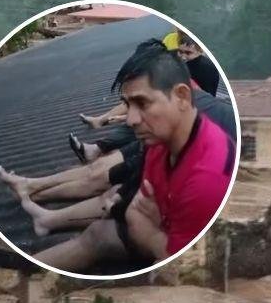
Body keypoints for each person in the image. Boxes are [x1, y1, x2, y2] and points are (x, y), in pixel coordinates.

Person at [32, 40, 233, 273]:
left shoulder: (207, 180)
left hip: (181, 244)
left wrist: (149, 233)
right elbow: (138, 204)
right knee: (105, 210)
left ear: (181, 96)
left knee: (101, 223)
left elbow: (180, 266)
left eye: (142, 103)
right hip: (170, 219)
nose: (131, 119)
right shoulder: (161, 140)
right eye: (128, 105)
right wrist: (137, 215)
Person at [177, 32, 221, 97]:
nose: (183, 56)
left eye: (188, 53)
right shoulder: (187, 64)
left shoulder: (205, 67)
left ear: (199, 51)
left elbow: (208, 93)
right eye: (180, 52)